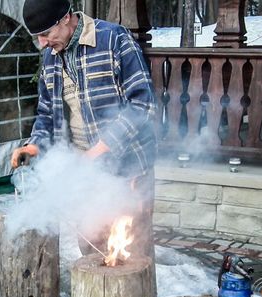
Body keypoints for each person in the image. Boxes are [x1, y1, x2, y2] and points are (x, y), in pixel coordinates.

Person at [11, 0, 157, 262]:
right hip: (84, 175)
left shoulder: (114, 39)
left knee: (131, 257)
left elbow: (142, 106)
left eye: (45, 34)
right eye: (38, 37)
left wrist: (99, 150)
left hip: (128, 170)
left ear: (66, 18)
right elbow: (47, 113)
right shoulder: (50, 57)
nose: (42, 43)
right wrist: (34, 145)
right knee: (93, 254)